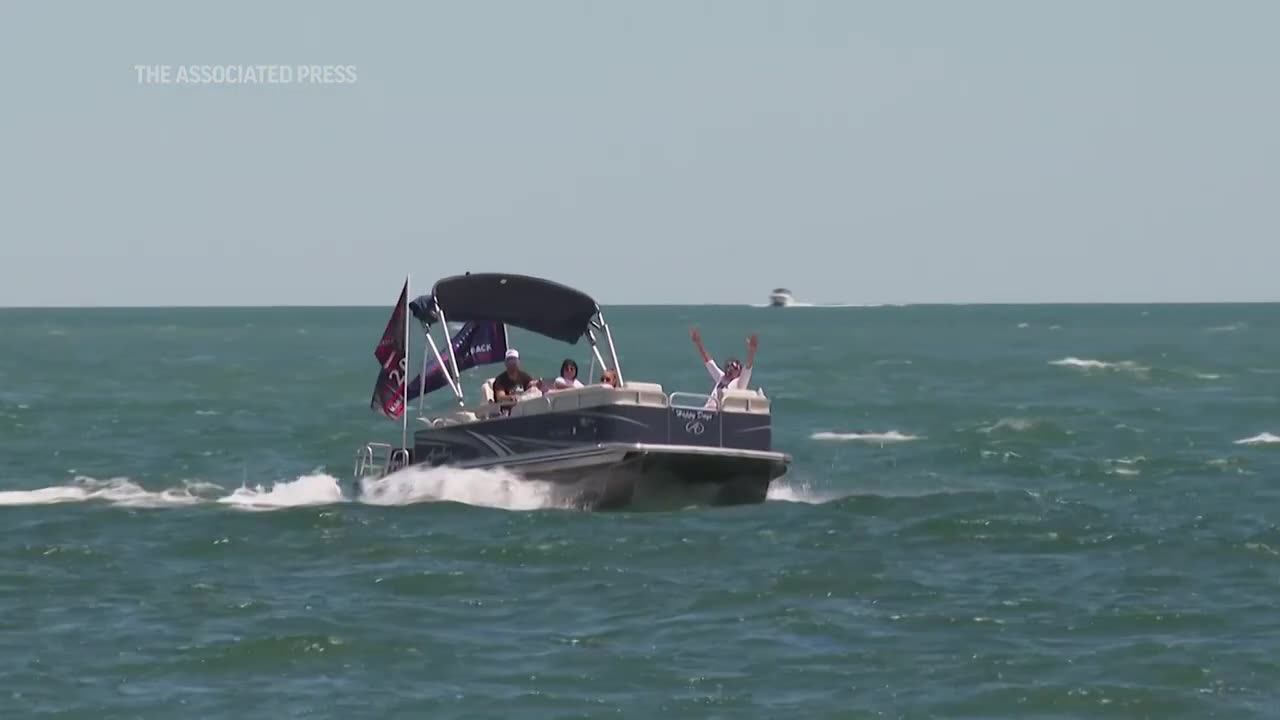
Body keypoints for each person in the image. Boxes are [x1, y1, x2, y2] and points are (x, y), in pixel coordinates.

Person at [690, 328, 757, 406]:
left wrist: (752, 351)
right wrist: (698, 342)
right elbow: (708, 361)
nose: (731, 370)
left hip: (722, 414)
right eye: (729, 367)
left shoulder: (739, 383)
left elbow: (748, 368)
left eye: (734, 368)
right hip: (707, 411)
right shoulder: (721, 377)